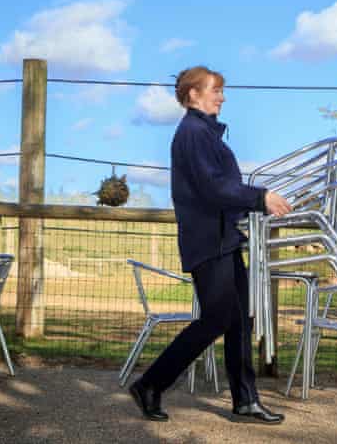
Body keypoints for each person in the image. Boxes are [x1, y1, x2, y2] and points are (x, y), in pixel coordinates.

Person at [129, 66, 292, 423]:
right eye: (215, 90)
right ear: (193, 95)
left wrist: (252, 204)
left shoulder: (207, 134)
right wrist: (260, 197)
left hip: (225, 239)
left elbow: (223, 190)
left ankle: (246, 399)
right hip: (208, 242)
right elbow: (213, 188)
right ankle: (150, 384)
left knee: (238, 321)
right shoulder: (193, 134)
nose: (222, 96)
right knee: (218, 318)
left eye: (221, 90)